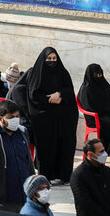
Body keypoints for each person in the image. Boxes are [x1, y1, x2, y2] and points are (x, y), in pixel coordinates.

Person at [26, 47, 77, 185]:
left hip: (63, 118)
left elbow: (70, 91)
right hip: (44, 118)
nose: (52, 61)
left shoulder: (63, 72)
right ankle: (46, 177)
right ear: (44, 60)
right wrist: (49, 99)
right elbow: (33, 95)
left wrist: (59, 94)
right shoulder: (37, 74)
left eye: (54, 59)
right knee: (47, 147)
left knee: (64, 145)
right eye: (49, 59)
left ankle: (65, 176)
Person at [0, 100, 35, 213]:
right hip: (3, 201)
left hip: (25, 197)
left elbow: (28, 163)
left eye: (17, 116)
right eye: (11, 117)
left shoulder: (22, 133)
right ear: (0, 119)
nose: (15, 120)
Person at [77, 63, 110, 163]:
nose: (99, 77)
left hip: (108, 114)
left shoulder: (104, 84)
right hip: (95, 117)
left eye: (100, 75)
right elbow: (89, 107)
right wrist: (105, 111)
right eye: (96, 75)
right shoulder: (86, 89)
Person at [70, 139, 110, 216]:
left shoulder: (107, 171)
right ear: (90, 154)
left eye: (104, 150)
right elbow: (86, 204)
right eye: (101, 152)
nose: (105, 154)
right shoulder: (78, 175)